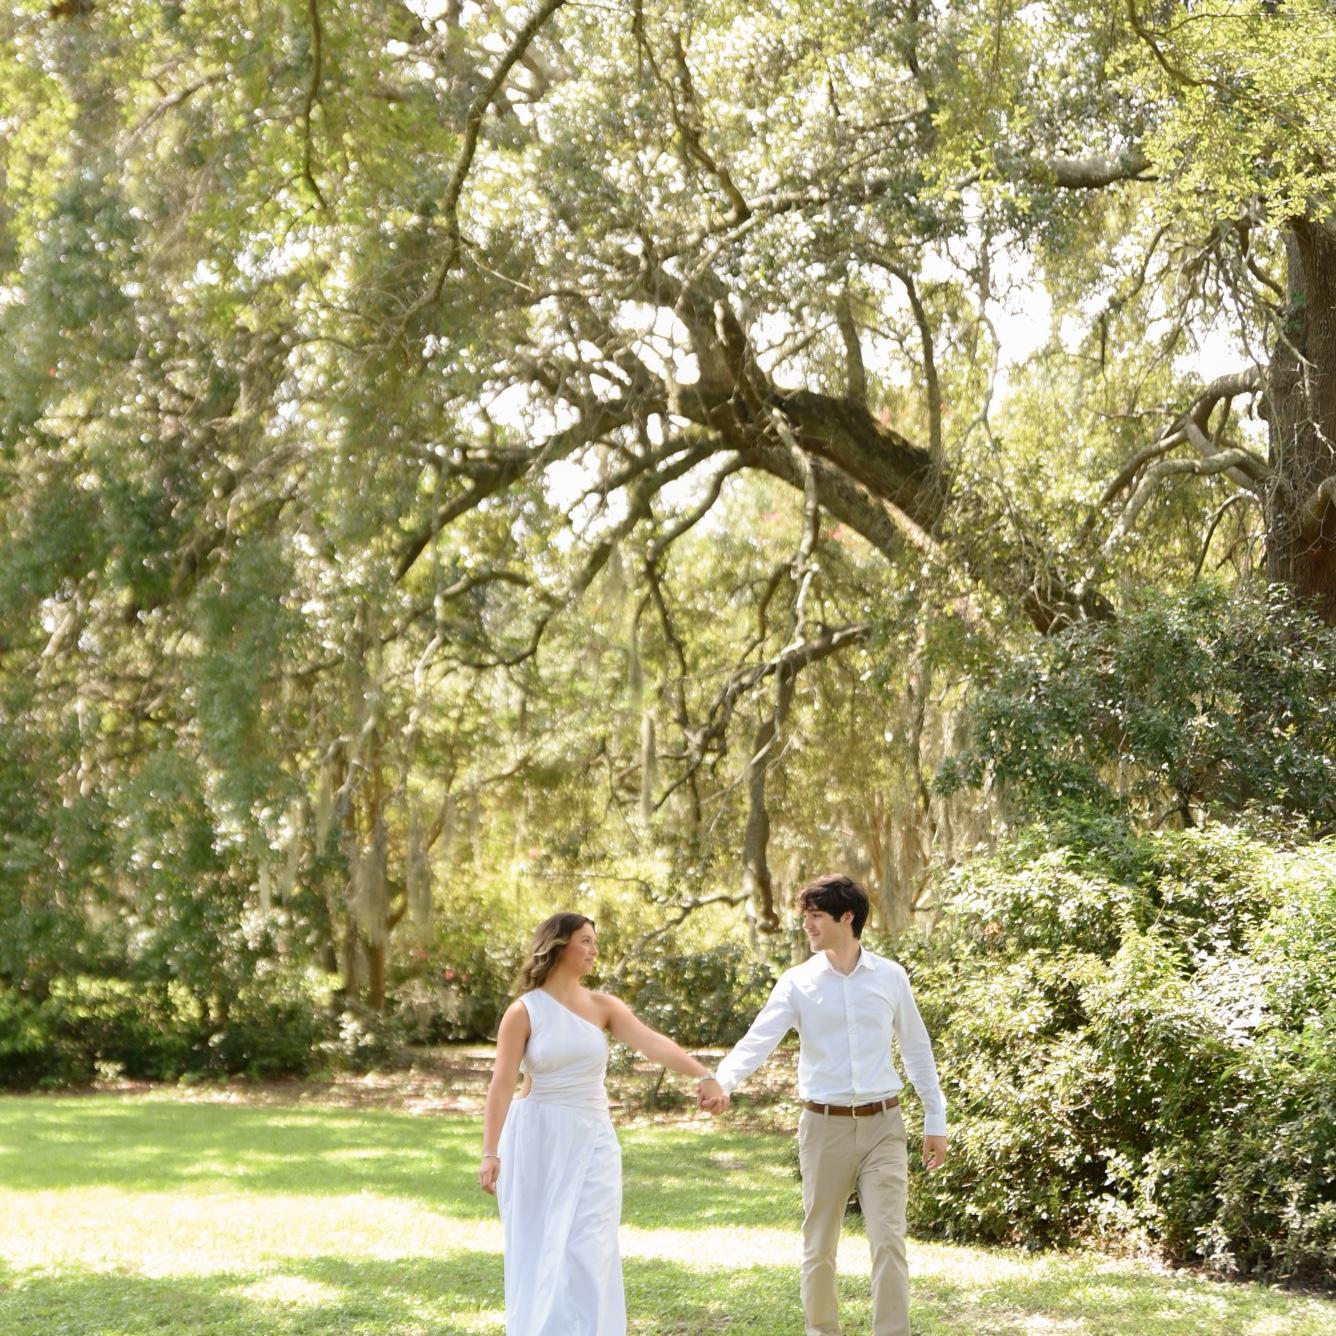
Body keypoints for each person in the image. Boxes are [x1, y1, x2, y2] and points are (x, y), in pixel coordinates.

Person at [704, 874, 948, 1336]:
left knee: (889, 1240)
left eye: (816, 916)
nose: (807, 926)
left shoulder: (891, 977)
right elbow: (759, 1040)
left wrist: (935, 1119)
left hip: (883, 1126)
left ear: (847, 917)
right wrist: (723, 1081)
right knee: (819, 1245)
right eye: (806, 917)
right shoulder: (797, 983)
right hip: (823, 1128)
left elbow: (917, 1050)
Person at [478, 911, 725, 1336]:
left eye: (595, 941)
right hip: (538, 1136)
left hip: (594, 1136)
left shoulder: (603, 1006)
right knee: (542, 1244)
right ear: (559, 946)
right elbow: (501, 1085)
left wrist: (703, 1074)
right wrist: (490, 1152)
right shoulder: (523, 1012)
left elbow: (651, 1042)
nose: (594, 950)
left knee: (592, 1243)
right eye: (586, 941)